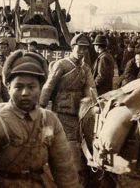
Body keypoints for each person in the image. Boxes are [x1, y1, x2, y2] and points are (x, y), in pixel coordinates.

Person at [0, 50, 82, 187]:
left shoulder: (49, 120)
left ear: (40, 88)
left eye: (32, 87)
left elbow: (65, 169)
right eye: (18, 87)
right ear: (8, 88)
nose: (25, 93)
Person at [39, 33, 97, 186]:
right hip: (62, 111)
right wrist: (41, 106)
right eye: (80, 47)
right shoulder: (62, 65)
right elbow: (49, 86)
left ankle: (80, 174)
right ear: (73, 47)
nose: (82, 51)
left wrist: (95, 105)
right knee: (67, 144)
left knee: (82, 143)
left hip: (80, 114)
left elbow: (91, 89)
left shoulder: (85, 68)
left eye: (85, 48)